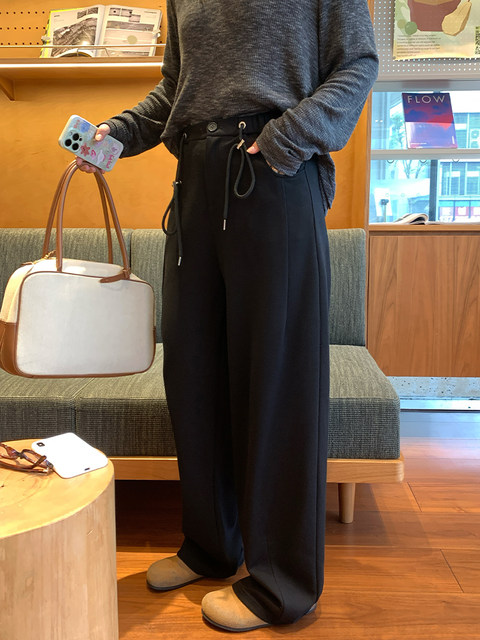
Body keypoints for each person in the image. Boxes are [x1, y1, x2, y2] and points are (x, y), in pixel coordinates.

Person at [77, 0, 378, 632]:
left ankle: (281, 583)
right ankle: (211, 546)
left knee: (277, 381)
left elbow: (355, 65)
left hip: (274, 176)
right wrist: (116, 134)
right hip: (195, 178)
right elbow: (176, 89)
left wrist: (284, 139)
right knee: (193, 370)